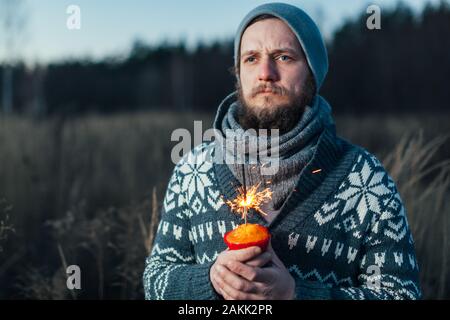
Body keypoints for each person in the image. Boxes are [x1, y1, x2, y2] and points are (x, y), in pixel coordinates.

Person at [143, 3, 421, 300]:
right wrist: (210, 279)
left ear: (312, 74)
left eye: (284, 57)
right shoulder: (193, 171)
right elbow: (156, 279)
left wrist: (295, 294)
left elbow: (401, 294)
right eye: (251, 58)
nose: (266, 73)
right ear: (238, 74)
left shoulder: (365, 178)